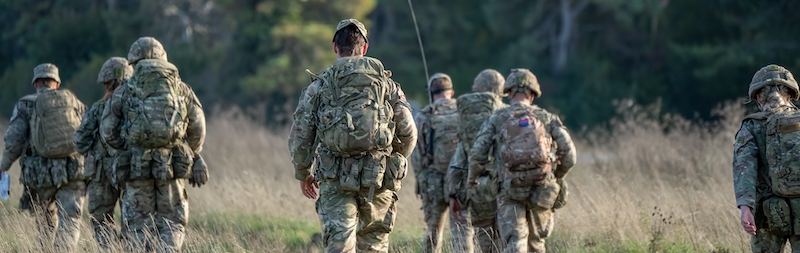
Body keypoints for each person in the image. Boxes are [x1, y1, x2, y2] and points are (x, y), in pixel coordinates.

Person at [288, 18, 417, 253]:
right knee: (374, 246)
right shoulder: (387, 85)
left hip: (335, 179)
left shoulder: (320, 86)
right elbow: (408, 131)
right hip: (377, 178)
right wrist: (396, 159)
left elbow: (300, 136)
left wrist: (303, 173)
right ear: (364, 48)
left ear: (335, 47)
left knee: (339, 244)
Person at [100, 36, 208, 252]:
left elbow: (107, 131)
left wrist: (128, 147)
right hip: (173, 169)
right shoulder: (182, 88)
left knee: (138, 230)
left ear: (134, 62)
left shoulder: (124, 90)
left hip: (136, 168)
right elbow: (198, 128)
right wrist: (189, 151)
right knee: (172, 225)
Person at [468, 68, 576, 253]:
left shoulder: (497, 118)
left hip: (509, 190)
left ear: (508, 93)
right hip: (542, 187)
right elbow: (570, 156)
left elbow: (478, 153)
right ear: (533, 95)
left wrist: (473, 178)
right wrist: (556, 175)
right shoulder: (547, 118)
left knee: (515, 242)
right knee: (536, 244)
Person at [0, 63, 87, 251]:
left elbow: (14, 140)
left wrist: (4, 165)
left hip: (40, 175)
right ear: (57, 83)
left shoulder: (25, 104)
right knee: (70, 221)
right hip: (73, 171)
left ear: (36, 83)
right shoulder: (73, 101)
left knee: (45, 221)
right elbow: (87, 134)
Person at [733, 64, 800, 252]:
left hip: (768, 212)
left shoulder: (751, 126)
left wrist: (745, 208)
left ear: (759, 97)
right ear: (789, 95)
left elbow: (744, 169)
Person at [74, 57, 133, 248]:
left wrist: (94, 149)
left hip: (102, 173)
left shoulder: (99, 107)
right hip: (131, 171)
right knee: (133, 223)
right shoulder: (137, 106)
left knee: (101, 223)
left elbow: (79, 141)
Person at [448, 69, 508, 252]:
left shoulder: (466, 117)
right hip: (506, 186)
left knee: (485, 239)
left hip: (476, 187)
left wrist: (453, 192)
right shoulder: (507, 113)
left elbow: (459, 158)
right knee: (508, 239)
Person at [412, 73, 461, 253]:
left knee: (434, 232)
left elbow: (417, 155)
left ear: (432, 94)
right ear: (451, 92)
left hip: (433, 181)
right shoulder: (462, 112)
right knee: (462, 231)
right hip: (459, 182)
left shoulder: (425, 115)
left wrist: (421, 180)